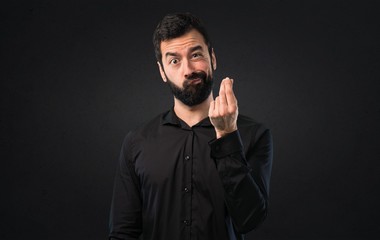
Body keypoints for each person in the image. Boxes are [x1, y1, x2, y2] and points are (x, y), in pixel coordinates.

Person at [108, 12, 273, 240]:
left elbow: (249, 219)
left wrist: (227, 136)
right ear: (162, 72)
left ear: (212, 58)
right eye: (174, 60)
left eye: (196, 54)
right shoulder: (137, 142)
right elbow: (123, 232)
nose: (188, 69)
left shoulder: (253, 134)